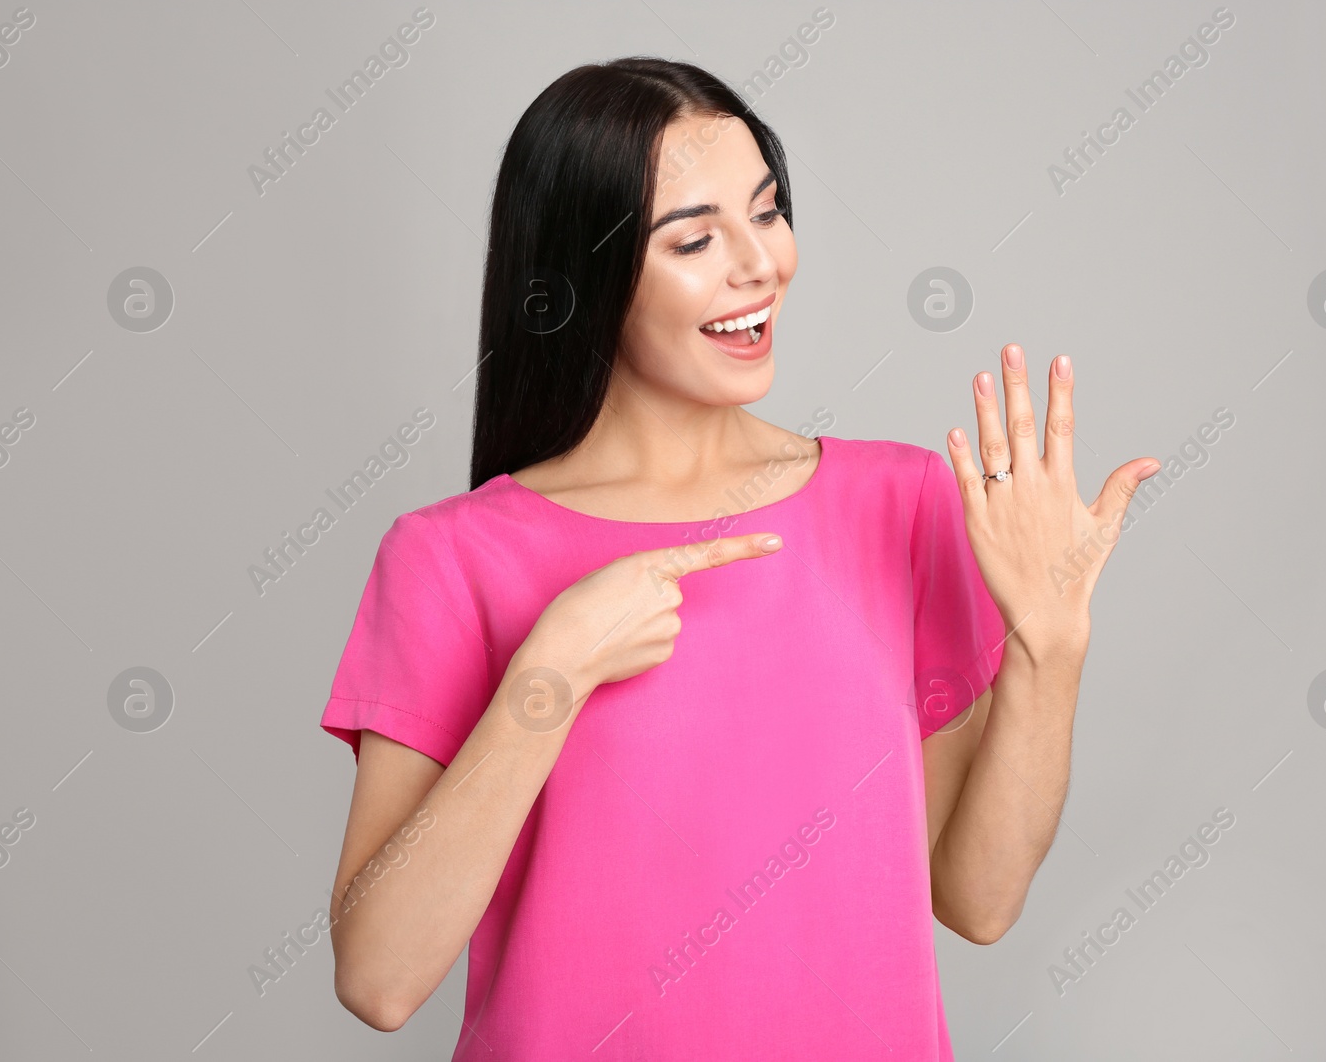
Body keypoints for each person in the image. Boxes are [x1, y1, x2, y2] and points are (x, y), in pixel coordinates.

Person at [317, 56, 1158, 1060]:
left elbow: (976, 898)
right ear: (586, 272)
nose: (758, 264)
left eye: (767, 213)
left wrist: (1049, 645)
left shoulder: (895, 504)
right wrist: (548, 676)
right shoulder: (452, 557)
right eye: (695, 238)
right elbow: (377, 976)